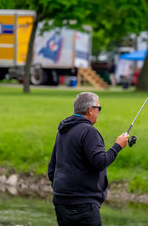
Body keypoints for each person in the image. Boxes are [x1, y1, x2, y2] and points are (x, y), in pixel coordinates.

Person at [48, 92, 129, 226]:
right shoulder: (89, 131)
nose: (99, 112)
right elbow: (100, 162)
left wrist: (63, 190)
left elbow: (52, 168)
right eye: (99, 108)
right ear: (90, 110)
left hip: (61, 200)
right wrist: (118, 146)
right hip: (83, 203)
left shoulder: (63, 130)